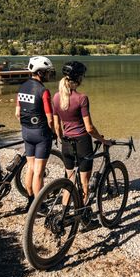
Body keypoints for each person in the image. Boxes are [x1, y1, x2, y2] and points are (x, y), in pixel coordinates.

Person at [52, 60, 109, 211]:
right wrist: (103, 140)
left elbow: (57, 126)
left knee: (69, 181)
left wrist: (62, 139)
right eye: (82, 76)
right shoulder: (82, 98)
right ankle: (83, 217)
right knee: (84, 183)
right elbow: (89, 128)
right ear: (78, 78)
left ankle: (63, 214)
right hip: (82, 144)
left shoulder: (56, 97)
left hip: (66, 144)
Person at [15, 55, 55, 211]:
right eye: (46, 72)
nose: (47, 74)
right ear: (40, 73)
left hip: (26, 132)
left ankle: (30, 201)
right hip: (40, 134)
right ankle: (39, 205)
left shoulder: (22, 87)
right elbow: (50, 118)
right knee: (39, 171)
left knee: (30, 168)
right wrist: (53, 132)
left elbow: (17, 113)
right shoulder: (43, 91)